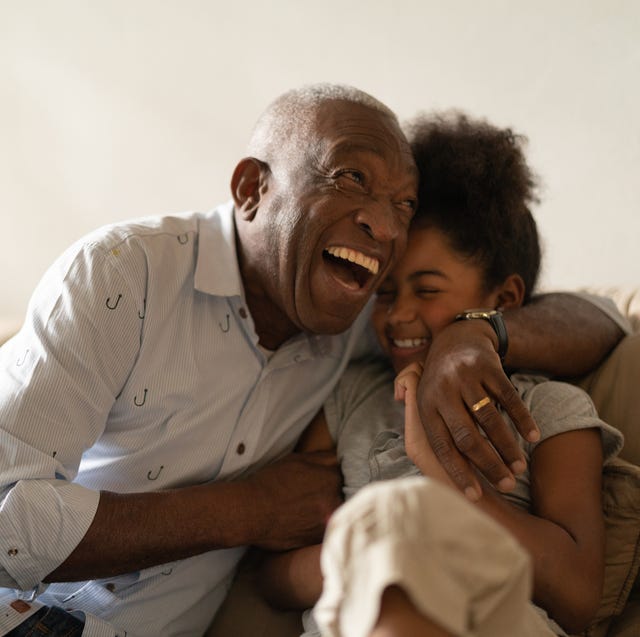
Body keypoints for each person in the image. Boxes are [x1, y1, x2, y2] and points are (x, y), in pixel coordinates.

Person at [0, 85, 626, 637]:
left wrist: (474, 335)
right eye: (351, 178)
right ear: (253, 188)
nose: (383, 229)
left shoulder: (359, 320)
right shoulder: (123, 276)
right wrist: (253, 510)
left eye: (403, 206)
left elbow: (609, 318)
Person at [259, 112, 625, 637]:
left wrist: (443, 475)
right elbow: (272, 577)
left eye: (428, 291)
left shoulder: (549, 407)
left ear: (504, 300)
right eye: (385, 292)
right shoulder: (349, 395)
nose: (399, 314)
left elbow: (576, 597)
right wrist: (377, 549)